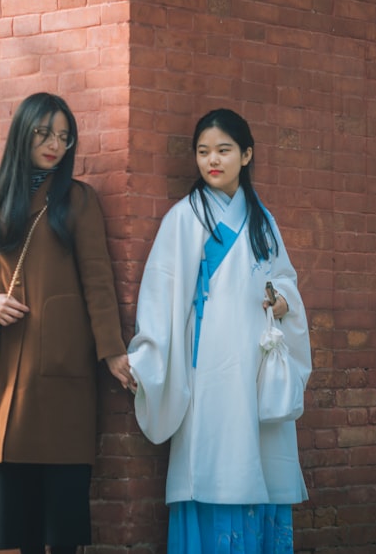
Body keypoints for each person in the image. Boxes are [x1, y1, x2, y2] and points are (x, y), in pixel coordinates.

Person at [0, 92, 133, 554]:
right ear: (23, 133)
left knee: (65, 515)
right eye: (44, 133)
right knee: (21, 519)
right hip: (6, 366)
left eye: (64, 136)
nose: (55, 144)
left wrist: (112, 349)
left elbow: (98, 279)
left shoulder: (76, 200)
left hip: (62, 370)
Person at [127, 108, 311, 553]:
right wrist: (146, 357)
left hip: (256, 363)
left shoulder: (263, 221)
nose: (213, 160)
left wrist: (283, 299)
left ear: (246, 155)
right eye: (204, 151)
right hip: (207, 367)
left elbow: (284, 277)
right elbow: (159, 292)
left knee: (259, 461)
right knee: (211, 465)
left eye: (224, 150)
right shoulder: (183, 218)